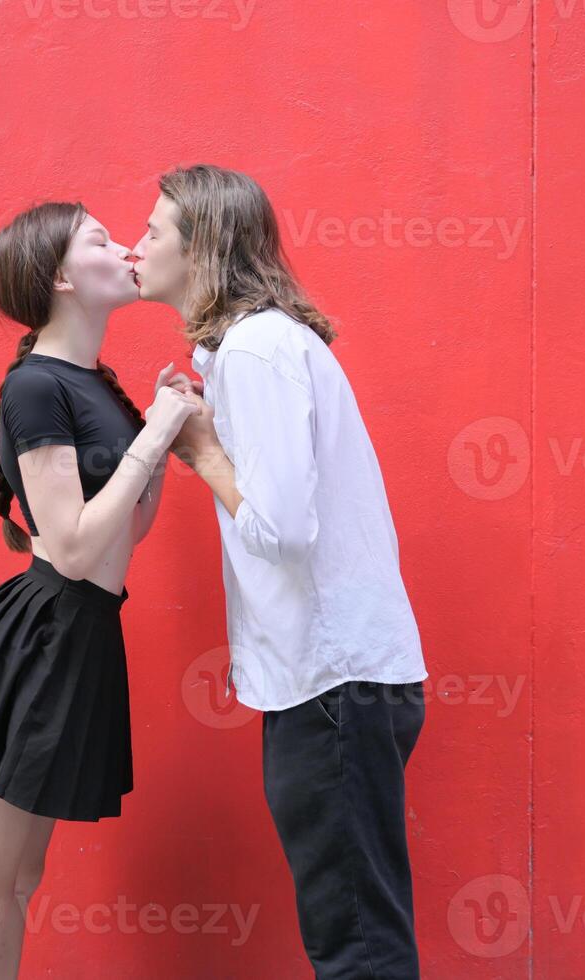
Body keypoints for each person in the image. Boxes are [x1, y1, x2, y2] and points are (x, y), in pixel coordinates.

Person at [134, 164, 430, 979]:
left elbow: (282, 529)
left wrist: (200, 450)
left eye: (154, 231)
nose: (136, 246)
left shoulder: (259, 349)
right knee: (356, 930)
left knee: (356, 946)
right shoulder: (250, 347)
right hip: (331, 682)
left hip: (331, 684)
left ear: (201, 246)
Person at [0, 201, 199, 980]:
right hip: (33, 642)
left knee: (18, 884)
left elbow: (120, 536)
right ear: (63, 277)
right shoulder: (37, 386)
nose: (129, 246)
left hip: (83, 636)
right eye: (102, 240)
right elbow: (68, 544)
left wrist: (156, 443)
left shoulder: (93, 383)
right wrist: (157, 432)